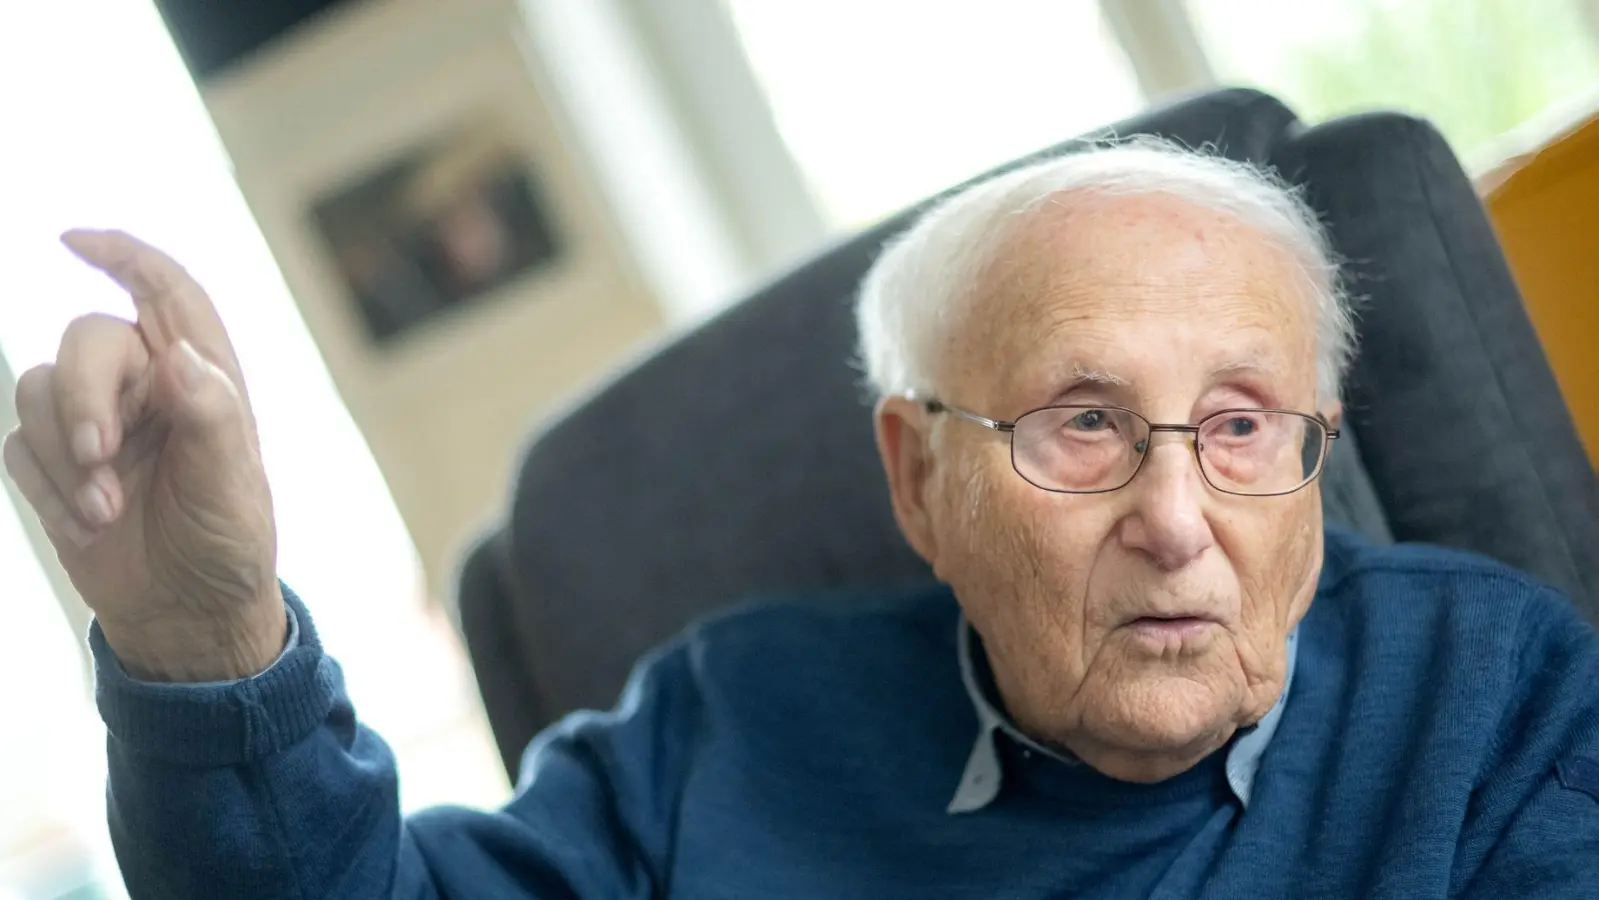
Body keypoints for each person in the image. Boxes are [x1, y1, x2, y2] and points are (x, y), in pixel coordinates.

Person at [5, 143, 1597, 899]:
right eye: (1082, 424)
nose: (1176, 519)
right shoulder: (726, 724)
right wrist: (201, 636)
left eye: (1244, 427)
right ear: (918, 480)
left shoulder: (1495, 692)